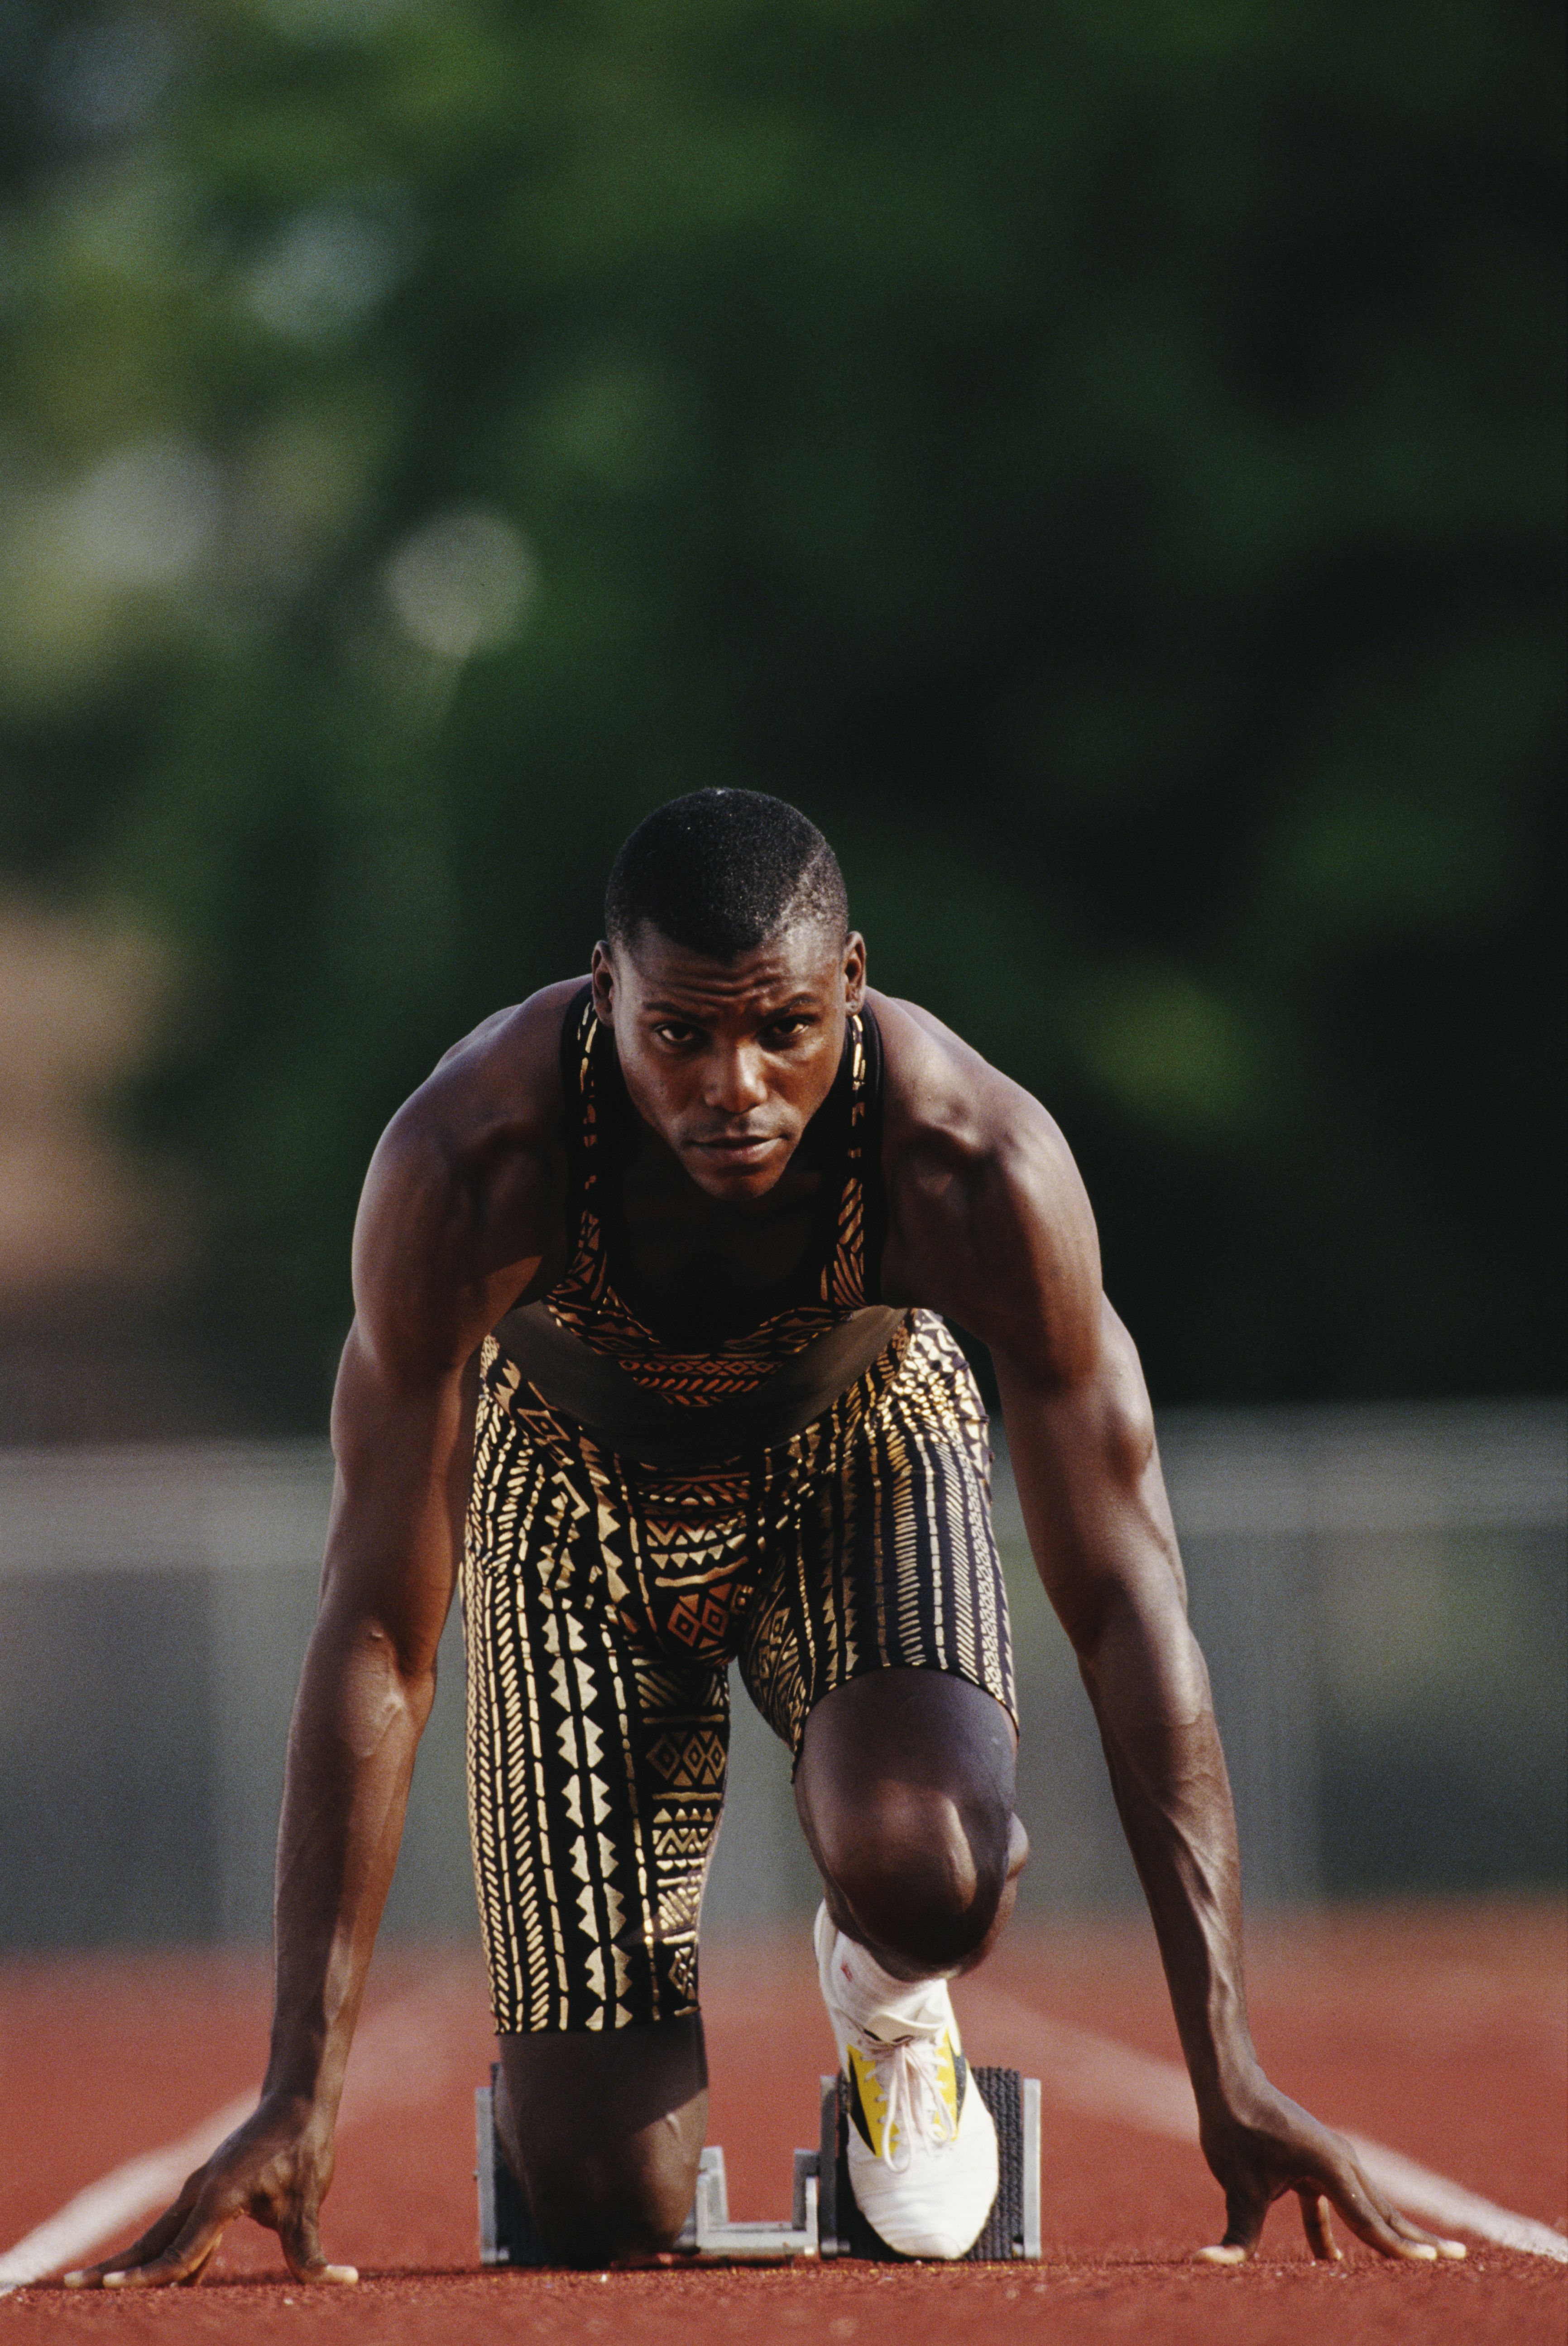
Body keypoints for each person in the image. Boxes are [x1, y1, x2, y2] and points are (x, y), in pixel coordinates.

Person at [68, 790, 1464, 2284]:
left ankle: (891, 1999)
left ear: (853, 986)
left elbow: (1128, 1606)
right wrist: (297, 2091)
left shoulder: (972, 1165)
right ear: (607, 994)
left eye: (785, 1029)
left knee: (932, 1864)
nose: (736, 1084)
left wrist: (1228, 2063)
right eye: (680, 1035)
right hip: (566, 1507)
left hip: (855, 1463)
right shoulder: (469, 1165)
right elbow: (379, 1636)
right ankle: (589, 2114)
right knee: (608, 2214)